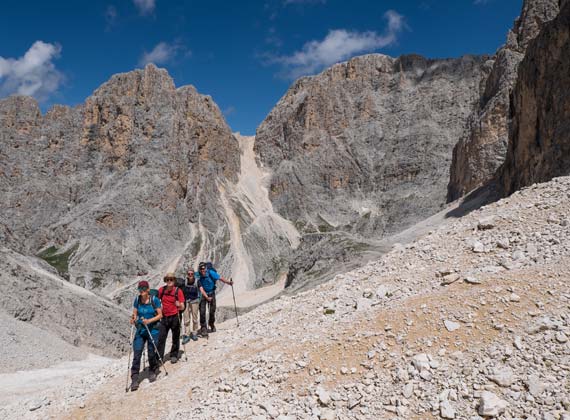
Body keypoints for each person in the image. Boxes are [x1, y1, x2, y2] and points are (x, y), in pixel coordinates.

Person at [130, 280, 162, 391]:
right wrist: (133, 318)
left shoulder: (154, 300)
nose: (142, 291)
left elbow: (160, 315)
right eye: (140, 289)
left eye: (144, 289)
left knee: (151, 352)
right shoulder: (137, 300)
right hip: (140, 330)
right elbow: (135, 313)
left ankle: (152, 370)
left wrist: (149, 321)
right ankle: (134, 378)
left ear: (148, 289)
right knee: (137, 353)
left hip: (153, 330)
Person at [196, 262, 233, 337]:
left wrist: (229, 283)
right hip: (203, 294)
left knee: (212, 310)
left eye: (203, 268)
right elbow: (199, 286)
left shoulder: (211, 273)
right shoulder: (198, 276)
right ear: (199, 270)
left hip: (211, 293)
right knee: (202, 311)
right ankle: (203, 327)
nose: (202, 270)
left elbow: (220, 278)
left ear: (206, 268)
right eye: (201, 269)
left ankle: (211, 324)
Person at [156, 272, 185, 364]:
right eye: (167, 279)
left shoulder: (178, 291)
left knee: (175, 337)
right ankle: (159, 357)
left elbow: (183, 307)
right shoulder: (162, 290)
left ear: (174, 280)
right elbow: (156, 301)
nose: (169, 281)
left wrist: (179, 305)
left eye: (171, 279)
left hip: (175, 316)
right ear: (165, 281)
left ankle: (174, 355)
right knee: (161, 338)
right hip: (164, 317)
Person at [181, 269, 200, 344]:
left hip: (195, 301)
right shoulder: (184, 281)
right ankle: (187, 334)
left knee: (195, 318)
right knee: (186, 318)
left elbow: (201, 289)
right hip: (186, 301)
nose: (190, 275)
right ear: (187, 274)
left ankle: (195, 332)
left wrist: (206, 296)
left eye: (192, 274)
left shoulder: (197, 281)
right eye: (189, 274)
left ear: (194, 274)